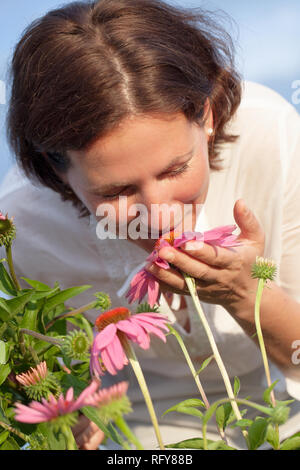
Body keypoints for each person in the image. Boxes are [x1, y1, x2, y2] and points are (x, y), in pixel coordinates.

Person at [1, 0, 300, 450]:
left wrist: (247, 294)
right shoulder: (22, 227)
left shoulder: (273, 139)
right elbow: (56, 378)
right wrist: (66, 418)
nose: (158, 213)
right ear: (57, 168)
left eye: (175, 169)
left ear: (208, 115)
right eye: (116, 191)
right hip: (141, 437)